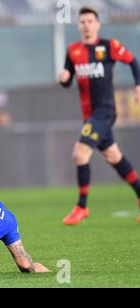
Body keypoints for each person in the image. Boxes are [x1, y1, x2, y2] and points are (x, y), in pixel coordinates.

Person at [59, 7, 140, 225]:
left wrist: (138, 86)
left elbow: (133, 61)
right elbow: (67, 81)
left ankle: (81, 207)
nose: (86, 24)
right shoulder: (73, 51)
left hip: (104, 111)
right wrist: (64, 78)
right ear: (78, 25)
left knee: (80, 153)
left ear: (97, 24)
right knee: (114, 157)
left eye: (90, 21)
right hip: (89, 115)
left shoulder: (109, 46)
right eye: (82, 21)